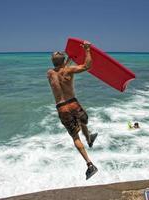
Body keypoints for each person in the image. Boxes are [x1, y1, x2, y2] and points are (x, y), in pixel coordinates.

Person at [47, 41, 98, 180]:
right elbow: (87, 66)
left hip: (62, 108)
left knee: (75, 137)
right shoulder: (69, 70)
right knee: (83, 121)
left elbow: (60, 70)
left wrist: (67, 60)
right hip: (73, 104)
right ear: (64, 60)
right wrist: (87, 49)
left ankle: (90, 165)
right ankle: (89, 139)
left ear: (52, 61)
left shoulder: (49, 73)